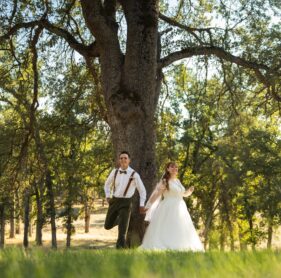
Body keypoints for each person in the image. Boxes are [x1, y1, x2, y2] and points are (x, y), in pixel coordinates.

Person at [140, 162, 204, 251]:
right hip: (168, 207)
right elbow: (157, 194)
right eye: (172, 167)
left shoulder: (177, 181)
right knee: (168, 226)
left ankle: (179, 245)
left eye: (176, 167)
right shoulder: (165, 181)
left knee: (180, 226)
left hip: (180, 207)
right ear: (168, 169)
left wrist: (189, 191)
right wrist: (148, 206)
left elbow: (183, 194)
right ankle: (166, 243)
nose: (175, 169)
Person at [104, 151, 146, 249]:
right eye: (121, 158)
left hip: (126, 203)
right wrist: (107, 196)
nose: (123, 160)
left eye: (125, 158)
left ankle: (120, 250)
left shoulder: (134, 175)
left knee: (122, 232)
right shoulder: (114, 172)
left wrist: (141, 205)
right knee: (107, 225)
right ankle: (121, 220)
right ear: (119, 160)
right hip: (114, 201)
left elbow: (142, 191)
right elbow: (106, 185)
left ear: (129, 160)